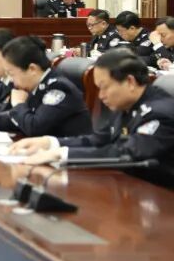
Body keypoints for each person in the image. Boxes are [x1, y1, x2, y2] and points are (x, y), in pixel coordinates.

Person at [9, 50, 174, 181]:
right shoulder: (129, 104)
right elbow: (98, 139)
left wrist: (62, 153)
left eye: (104, 87)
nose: (101, 96)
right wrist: (49, 143)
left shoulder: (159, 113)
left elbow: (127, 154)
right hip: (126, 186)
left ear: (130, 82)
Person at [0, 36, 92, 137]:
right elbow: (15, 118)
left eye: (12, 74)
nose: (12, 80)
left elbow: (35, 128)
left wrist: (19, 104)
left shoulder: (59, 88)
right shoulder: (37, 86)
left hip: (72, 149)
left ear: (32, 69)